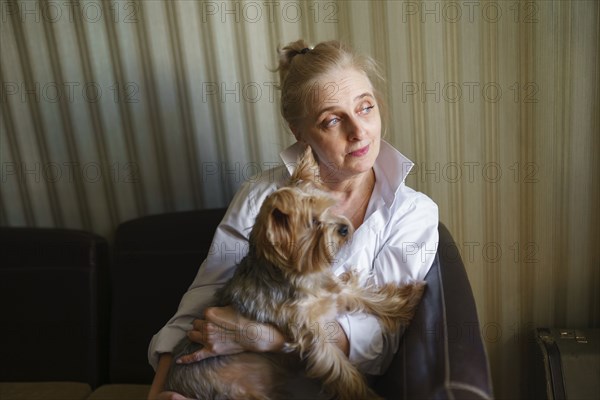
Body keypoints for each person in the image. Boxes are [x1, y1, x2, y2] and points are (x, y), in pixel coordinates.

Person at [147, 39, 439, 400]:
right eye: (332, 120)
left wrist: (266, 338)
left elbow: (378, 337)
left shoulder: (412, 213)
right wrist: (159, 393)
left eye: (366, 107)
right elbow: (201, 301)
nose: (359, 131)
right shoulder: (260, 195)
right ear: (298, 132)